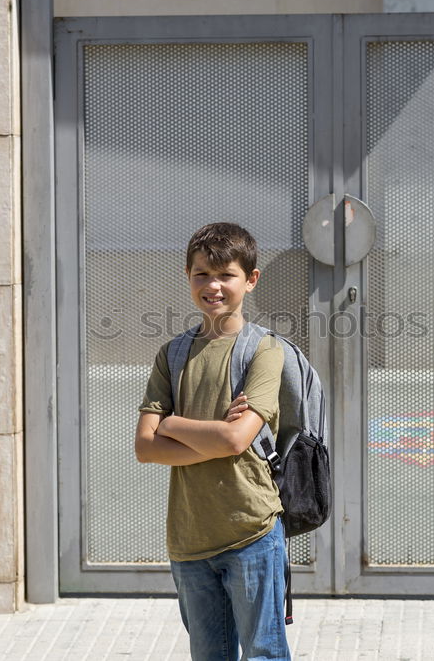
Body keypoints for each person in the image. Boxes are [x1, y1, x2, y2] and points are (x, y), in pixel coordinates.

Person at [135, 222, 289, 661]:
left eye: (226, 275)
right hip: (189, 538)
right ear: (188, 276)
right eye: (202, 274)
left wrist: (171, 423)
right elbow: (145, 448)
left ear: (251, 280)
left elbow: (235, 439)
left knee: (264, 653)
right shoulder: (173, 354)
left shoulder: (263, 350)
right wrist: (210, 433)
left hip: (251, 530)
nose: (213, 286)